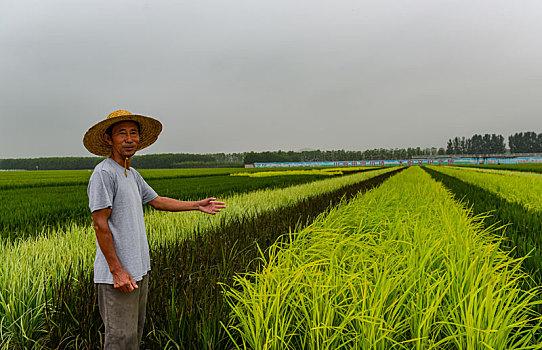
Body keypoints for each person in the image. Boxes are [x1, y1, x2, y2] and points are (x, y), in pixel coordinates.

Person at [83, 109, 226, 349]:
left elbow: (157, 201)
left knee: (134, 337)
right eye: (122, 133)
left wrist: (196, 205)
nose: (129, 139)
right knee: (120, 340)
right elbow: (100, 224)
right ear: (109, 139)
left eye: (133, 133)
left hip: (139, 271)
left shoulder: (132, 174)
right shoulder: (104, 173)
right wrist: (117, 271)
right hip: (118, 277)